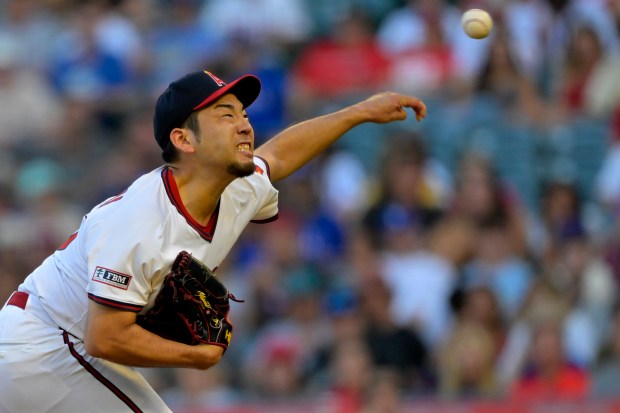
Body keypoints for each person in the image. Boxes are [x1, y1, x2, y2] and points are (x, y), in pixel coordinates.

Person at [0, 69, 426, 412]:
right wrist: (196, 356)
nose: (244, 124)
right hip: (44, 345)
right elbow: (105, 338)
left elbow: (278, 156)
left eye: (242, 113)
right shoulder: (141, 220)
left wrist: (359, 111)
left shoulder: (234, 186)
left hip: (64, 348)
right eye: (225, 114)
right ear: (183, 140)